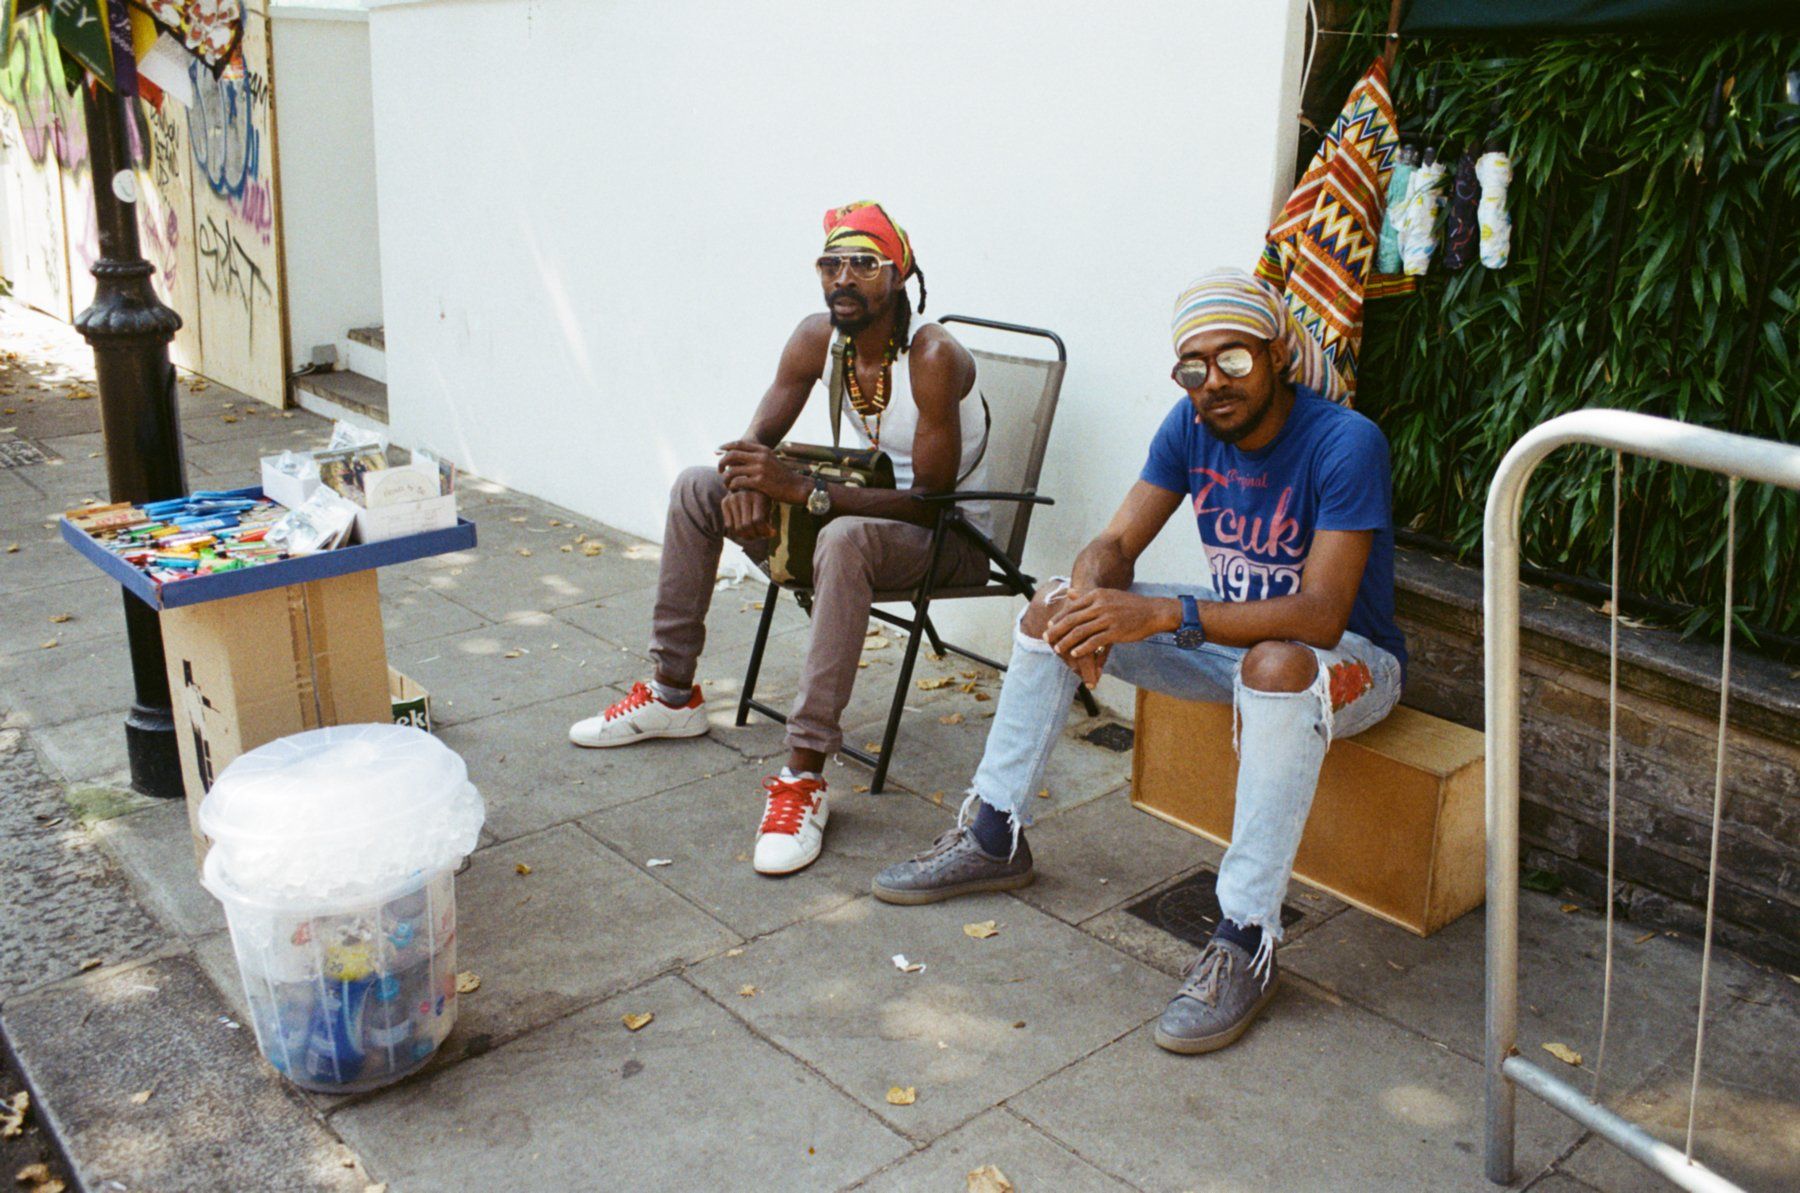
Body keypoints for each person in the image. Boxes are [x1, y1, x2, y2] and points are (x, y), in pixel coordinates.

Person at [871, 268, 1407, 1055]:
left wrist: (1163, 612)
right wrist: (1091, 602)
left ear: (1277, 355)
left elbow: (1321, 613)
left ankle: (1246, 938)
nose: (1213, 382)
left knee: (1273, 665)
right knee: (1052, 606)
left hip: (1343, 665)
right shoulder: (1190, 426)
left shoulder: (1345, 442)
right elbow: (1116, 542)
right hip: (1233, 646)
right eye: (1194, 367)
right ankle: (992, 833)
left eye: (1234, 359)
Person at [569, 201, 991, 877]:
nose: (843, 278)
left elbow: (929, 506)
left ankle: (803, 774)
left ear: (900, 275)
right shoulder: (817, 338)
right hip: (857, 511)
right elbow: (752, 444)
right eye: (831, 264)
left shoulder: (932, 356)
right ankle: (672, 693)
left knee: (845, 539)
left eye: (864, 264)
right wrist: (745, 481)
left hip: (950, 539)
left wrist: (803, 491)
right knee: (697, 486)